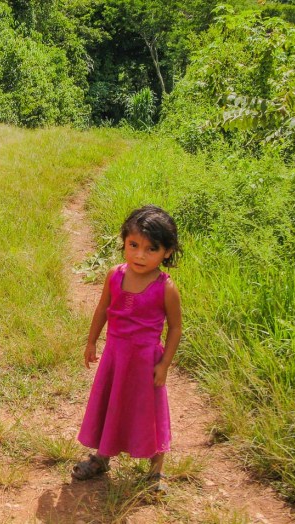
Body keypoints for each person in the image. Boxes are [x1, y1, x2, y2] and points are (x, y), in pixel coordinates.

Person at [72, 205, 183, 493]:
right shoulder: (114, 275)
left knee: (149, 412)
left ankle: (156, 470)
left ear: (167, 252)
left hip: (146, 361)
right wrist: (92, 341)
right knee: (110, 403)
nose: (139, 255)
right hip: (115, 356)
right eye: (133, 245)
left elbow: (176, 328)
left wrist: (165, 364)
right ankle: (101, 457)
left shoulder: (165, 287)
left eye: (151, 249)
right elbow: (102, 310)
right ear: (124, 242)